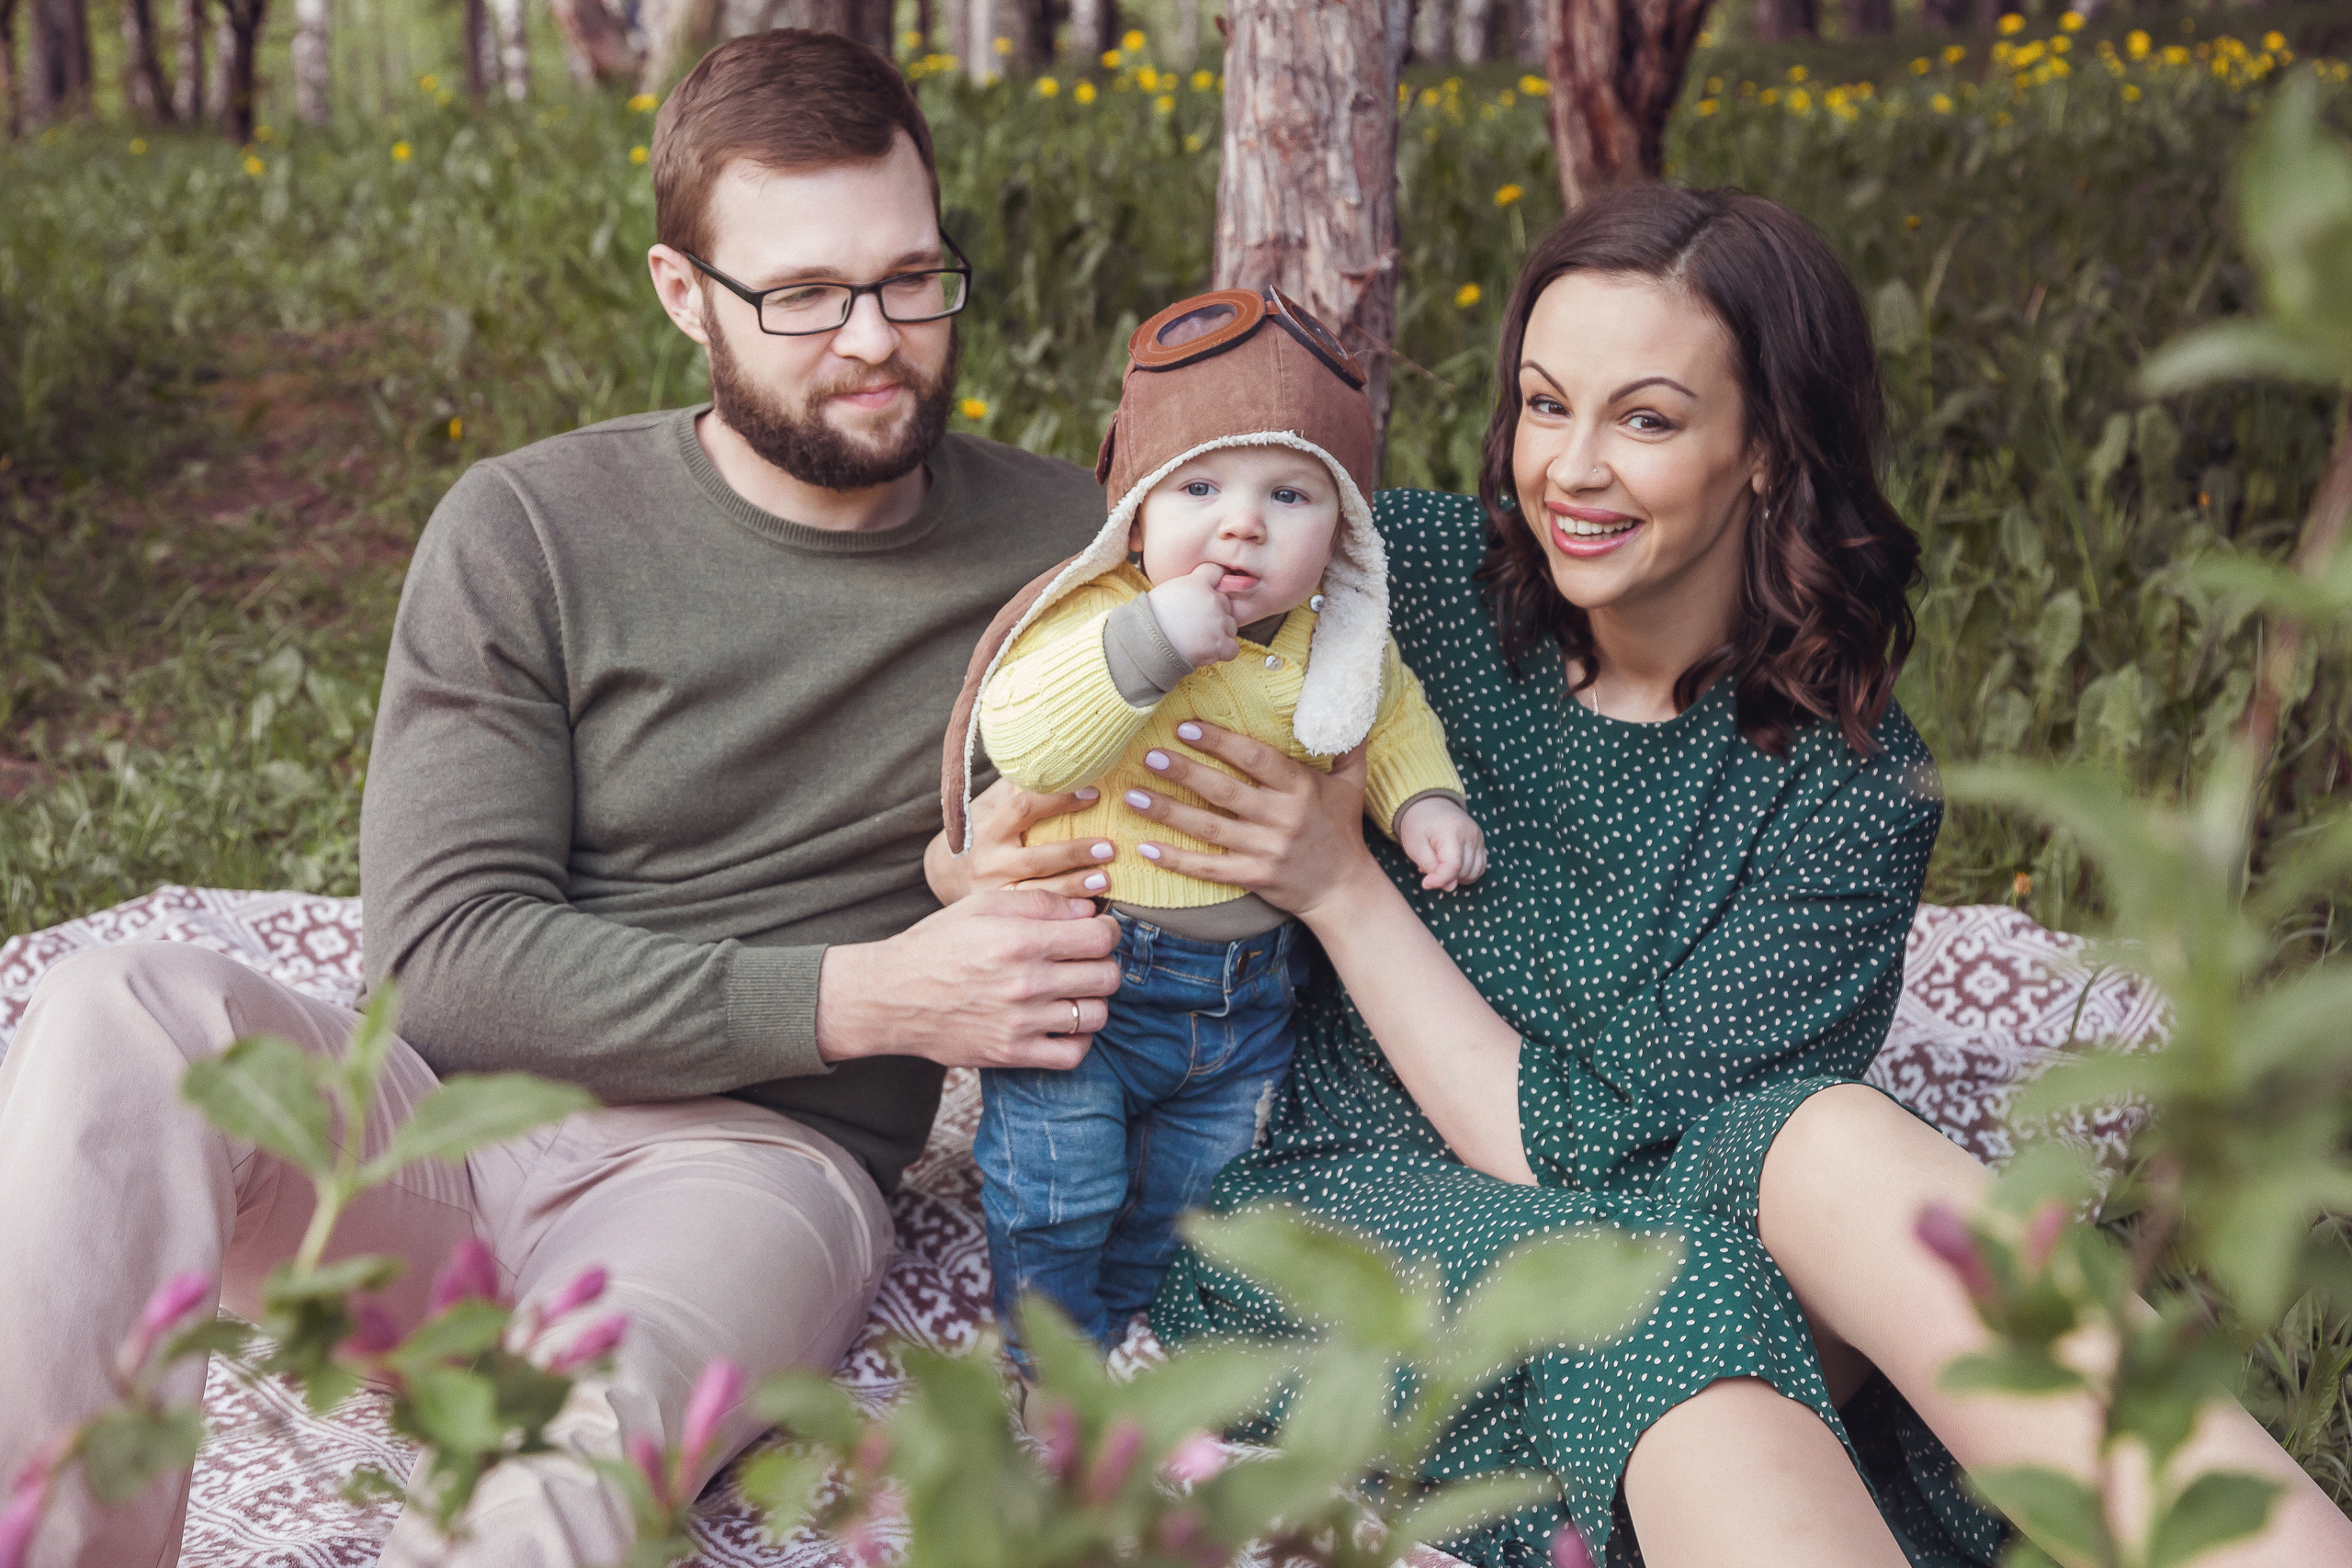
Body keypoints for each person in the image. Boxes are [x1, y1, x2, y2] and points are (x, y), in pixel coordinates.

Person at [943, 186, 2352, 1566]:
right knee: (1664, 1285)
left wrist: (1344, 886)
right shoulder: (1406, 584)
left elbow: (1586, 1154)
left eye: (1650, 419)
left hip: (1648, 1220)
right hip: (1324, 1205)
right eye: (1547, 404)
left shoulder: (1844, 784)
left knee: (1830, 1136)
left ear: (1767, 449)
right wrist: (977, 848)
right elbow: (1095, 609)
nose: (1570, 468)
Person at [0, 29, 1128, 1568]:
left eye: (911, 276)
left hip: (749, 1168)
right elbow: (447, 966)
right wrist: (871, 992)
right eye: (801, 295)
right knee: (115, 1004)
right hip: (444, 1136)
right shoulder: (528, 527)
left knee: (564, 1439)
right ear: (685, 296)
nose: (873, 337)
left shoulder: (1073, 552)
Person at [942, 287, 1483, 1363]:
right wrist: (1152, 642)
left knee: (1194, 1187)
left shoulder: (1337, 644)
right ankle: (1049, 1350)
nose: (1243, 524)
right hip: (1096, 972)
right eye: (1199, 487)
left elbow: (1389, 726)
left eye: (1290, 495)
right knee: (1059, 1177)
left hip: (1249, 998)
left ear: (1339, 536)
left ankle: (1133, 1317)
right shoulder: (1099, 618)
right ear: (1135, 513)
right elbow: (1026, 738)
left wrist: (1426, 803)